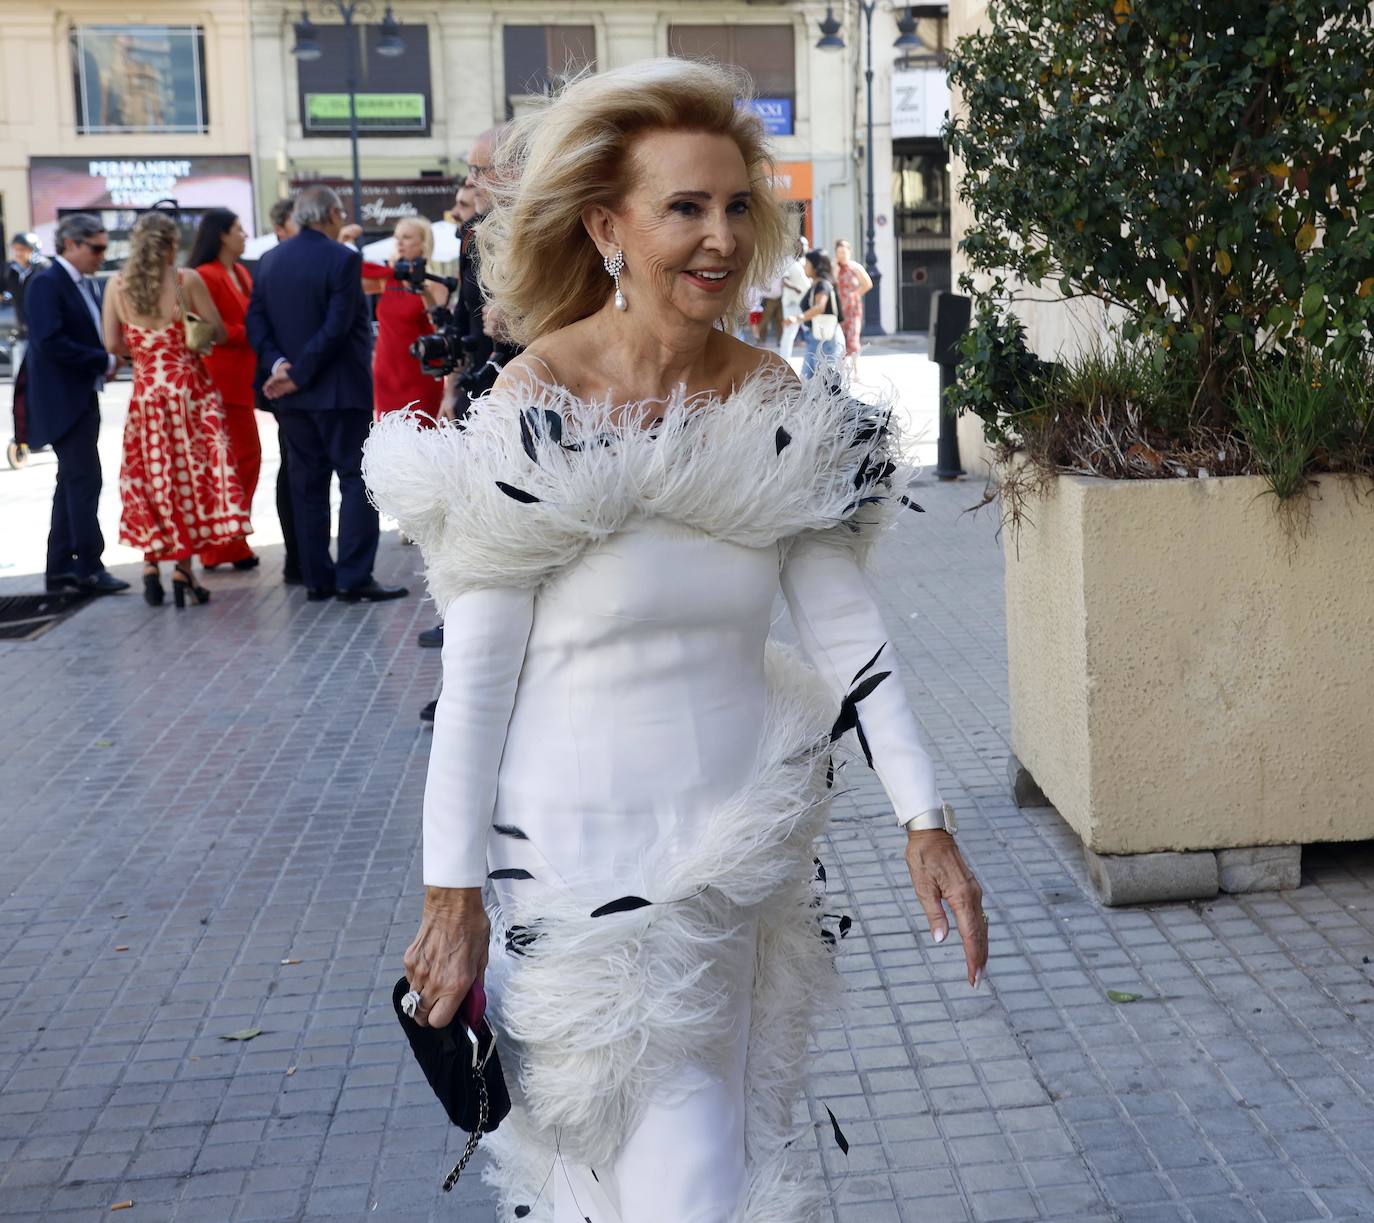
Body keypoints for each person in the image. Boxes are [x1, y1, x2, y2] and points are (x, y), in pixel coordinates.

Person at [363, 58, 988, 1223]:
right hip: (567, 868)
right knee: (606, 1183)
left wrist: (926, 820)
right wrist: (452, 895)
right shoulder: (536, 400)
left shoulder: (776, 407)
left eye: (737, 205)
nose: (719, 238)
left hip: (730, 867)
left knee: (701, 1176)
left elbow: (851, 637)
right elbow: (479, 677)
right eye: (684, 208)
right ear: (609, 225)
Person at [246, 184, 407, 604]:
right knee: (356, 480)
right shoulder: (342, 259)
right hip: (339, 391)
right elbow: (337, 326)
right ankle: (353, 577)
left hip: (293, 397)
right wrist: (297, 373)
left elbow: (257, 325)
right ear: (332, 215)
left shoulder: (269, 261)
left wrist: (282, 367)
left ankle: (317, 578)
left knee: (307, 484)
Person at [102, 210, 249, 607]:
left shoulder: (116, 285)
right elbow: (216, 332)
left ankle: (151, 564)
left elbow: (113, 344)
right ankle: (183, 569)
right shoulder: (188, 280)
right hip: (190, 391)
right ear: (171, 245)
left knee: (152, 477)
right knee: (188, 480)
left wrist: (145, 352)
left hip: (147, 394)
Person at [23, 214, 130, 595]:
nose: (102, 255)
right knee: (84, 480)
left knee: (70, 482)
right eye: (97, 248)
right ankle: (87, 566)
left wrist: (105, 362)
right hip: (62, 400)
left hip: (80, 395)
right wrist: (102, 361)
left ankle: (60, 568)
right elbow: (50, 342)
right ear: (72, 244)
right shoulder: (47, 283)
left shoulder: (79, 283)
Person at [190, 208, 261, 570]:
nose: (244, 235)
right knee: (231, 464)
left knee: (241, 463)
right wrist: (251, 334)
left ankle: (231, 541)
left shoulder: (241, 273)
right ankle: (223, 545)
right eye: (238, 229)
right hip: (219, 379)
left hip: (241, 379)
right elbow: (204, 331)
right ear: (221, 235)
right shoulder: (206, 275)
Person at [362, 216, 447, 423]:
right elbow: (347, 278)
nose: (399, 242)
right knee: (389, 438)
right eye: (397, 237)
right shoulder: (387, 278)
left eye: (407, 237)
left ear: (423, 244)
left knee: (421, 438)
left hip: (420, 373)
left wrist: (422, 291)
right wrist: (341, 242)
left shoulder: (435, 283)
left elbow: (439, 325)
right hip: (386, 372)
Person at [786, 248, 845, 380]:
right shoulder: (817, 284)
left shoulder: (822, 285)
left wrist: (797, 318)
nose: (804, 266)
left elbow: (820, 307)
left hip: (825, 338)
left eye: (807, 263)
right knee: (811, 381)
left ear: (816, 266)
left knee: (825, 383)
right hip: (817, 337)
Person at [4, 232, 47, 373]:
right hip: (22, 328)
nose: (18, 253)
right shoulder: (10, 270)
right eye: (16, 249)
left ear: (33, 249)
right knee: (21, 373)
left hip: (43, 331)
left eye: (22, 249)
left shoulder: (43, 269)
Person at [834, 238, 873, 371]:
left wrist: (855, 295)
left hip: (853, 308)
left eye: (843, 252)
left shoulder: (855, 267)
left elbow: (868, 283)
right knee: (840, 341)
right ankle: (841, 370)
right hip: (838, 309)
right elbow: (831, 283)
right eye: (839, 252)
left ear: (849, 252)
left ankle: (856, 371)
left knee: (853, 339)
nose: (841, 255)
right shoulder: (835, 268)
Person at [777, 234, 810, 359]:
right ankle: (785, 360)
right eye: (801, 245)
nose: (803, 248)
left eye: (805, 245)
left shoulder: (807, 261)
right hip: (791, 302)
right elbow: (784, 280)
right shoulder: (788, 261)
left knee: (811, 331)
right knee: (789, 332)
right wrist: (795, 288)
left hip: (806, 302)